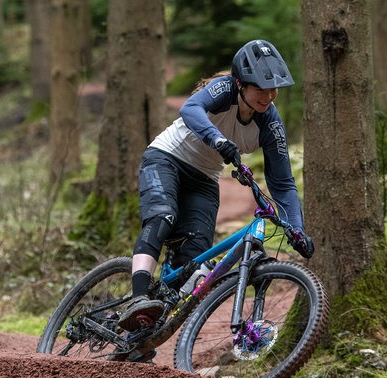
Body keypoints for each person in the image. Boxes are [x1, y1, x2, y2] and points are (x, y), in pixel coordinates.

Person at [117, 39, 315, 332]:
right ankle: (138, 296)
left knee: (194, 262)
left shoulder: (271, 125)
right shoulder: (224, 89)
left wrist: (296, 228)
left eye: (274, 89)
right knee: (163, 215)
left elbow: (283, 182)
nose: (269, 96)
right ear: (240, 84)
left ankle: (143, 333)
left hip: (205, 178)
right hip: (166, 157)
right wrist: (217, 139)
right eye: (260, 87)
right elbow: (191, 108)